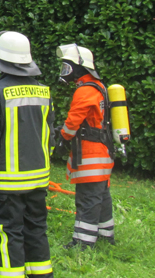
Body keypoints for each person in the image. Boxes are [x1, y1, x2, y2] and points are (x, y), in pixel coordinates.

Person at [0, 31, 55, 278]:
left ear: (1, 57)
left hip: (6, 183)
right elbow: (49, 137)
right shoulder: (44, 92)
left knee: (8, 234)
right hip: (39, 179)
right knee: (36, 230)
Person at [55, 43, 115, 249]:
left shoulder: (85, 90)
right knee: (101, 196)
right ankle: (106, 235)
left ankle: (83, 242)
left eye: (68, 66)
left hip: (91, 154)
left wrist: (63, 136)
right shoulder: (99, 86)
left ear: (80, 67)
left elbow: (73, 121)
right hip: (103, 153)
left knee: (88, 197)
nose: (65, 71)